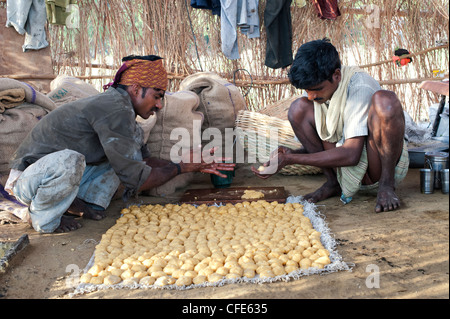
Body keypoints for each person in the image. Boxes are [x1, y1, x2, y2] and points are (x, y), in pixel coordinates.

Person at [5, 55, 235, 233]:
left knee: (122, 160)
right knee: (72, 160)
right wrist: (182, 167)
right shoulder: (112, 108)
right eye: (157, 95)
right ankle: (44, 219)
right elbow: (136, 178)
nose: (160, 105)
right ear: (136, 88)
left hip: (59, 176)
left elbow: (143, 162)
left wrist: (187, 162)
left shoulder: (126, 115)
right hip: (32, 179)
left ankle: (82, 204)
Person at [252, 39, 409, 213]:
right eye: (307, 90)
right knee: (298, 108)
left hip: (376, 168)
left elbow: (351, 155)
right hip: (346, 163)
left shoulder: (359, 87)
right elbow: (333, 144)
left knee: (385, 100)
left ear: (337, 75)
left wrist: (290, 160)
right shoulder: (320, 91)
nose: (311, 96)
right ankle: (334, 183)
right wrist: (290, 154)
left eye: (317, 89)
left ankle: (387, 186)